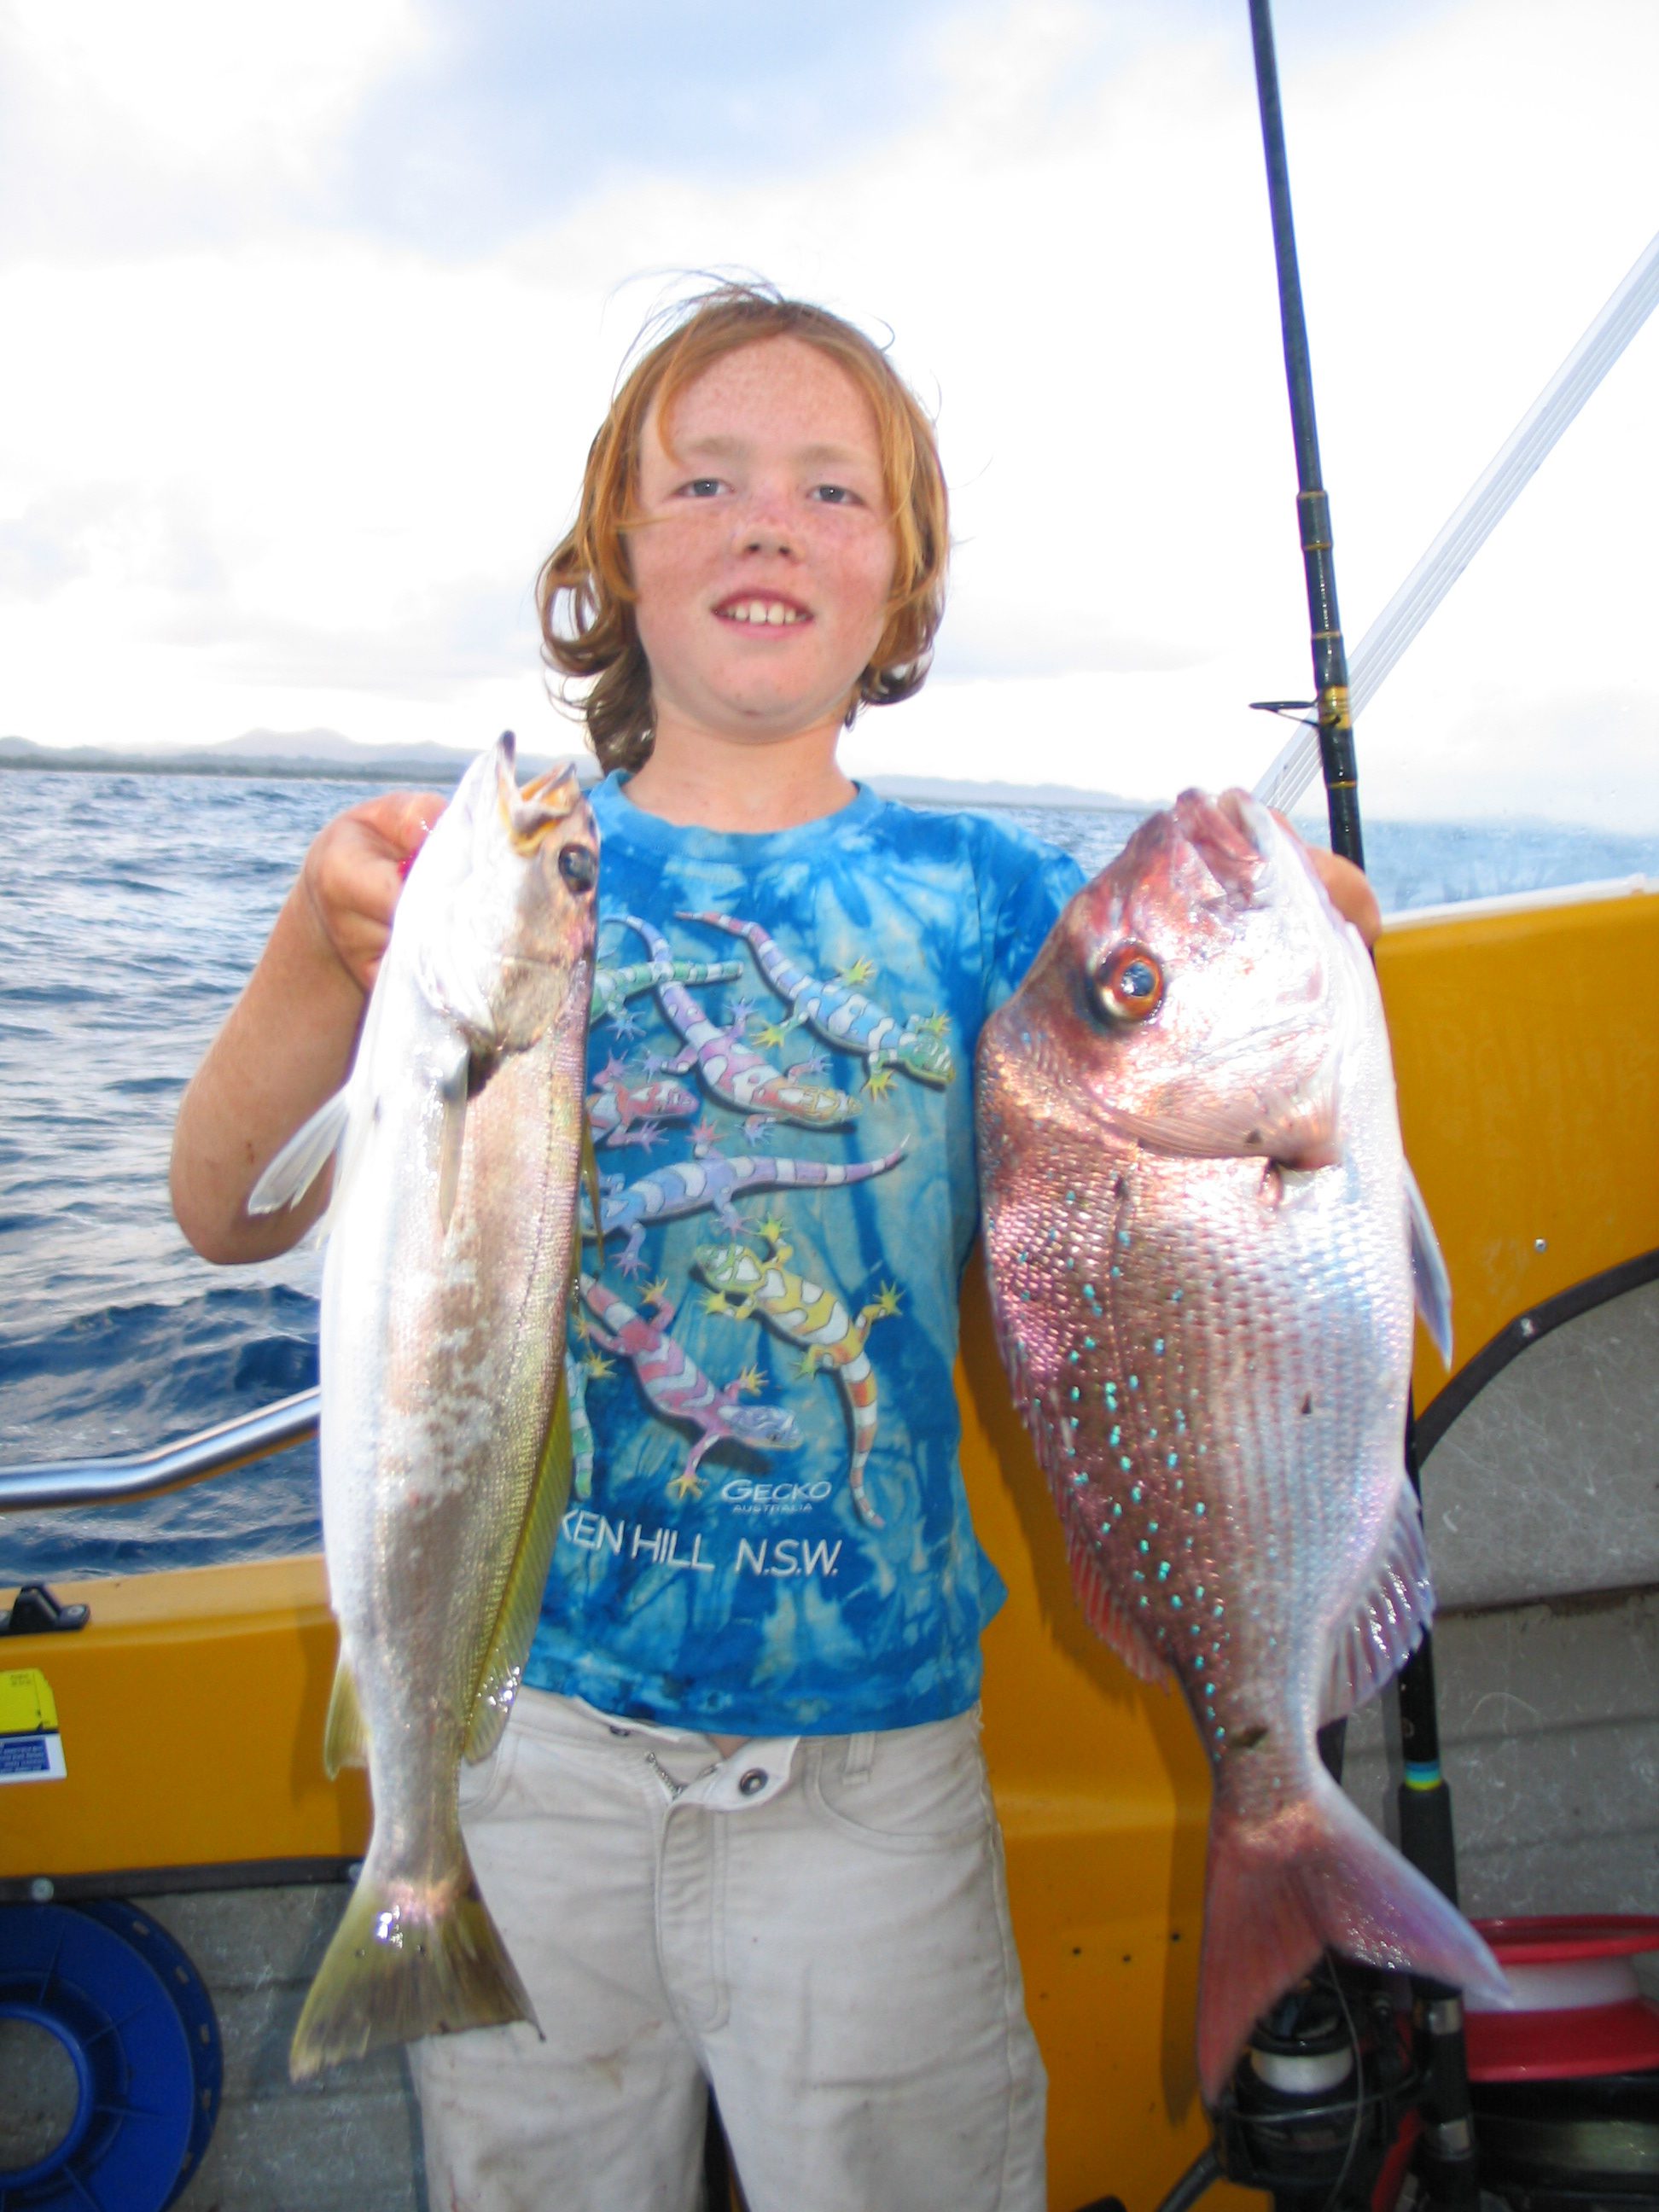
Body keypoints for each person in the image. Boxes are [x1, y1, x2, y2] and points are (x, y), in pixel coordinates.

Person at [172, 283, 1380, 2212]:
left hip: (874, 1776)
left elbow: (1142, 1213)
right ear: (609, 561)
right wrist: (320, 969)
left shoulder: (995, 907)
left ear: (900, 583)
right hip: (522, 1754)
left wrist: (1279, 984)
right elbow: (227, 1211)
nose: (767, 523)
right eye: (707, 481)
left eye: (833, 492)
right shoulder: (501, 880)